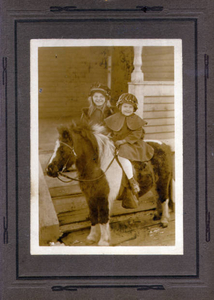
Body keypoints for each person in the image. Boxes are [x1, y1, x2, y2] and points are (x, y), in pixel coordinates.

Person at [104, 93, 154, 208]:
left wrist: (124, 141)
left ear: (134, 108)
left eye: (130, 107)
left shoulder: (136, 120)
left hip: (132, 144)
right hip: (116, 143)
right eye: (125, 106)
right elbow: (108, 130)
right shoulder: (114, 118)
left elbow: (136, 134)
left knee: (122, 155)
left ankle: (132, 180)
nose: (127, 109)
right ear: (120, 106)